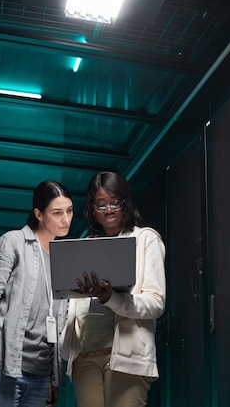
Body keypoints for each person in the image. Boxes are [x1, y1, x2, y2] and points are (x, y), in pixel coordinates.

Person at [59, 171, 166, 407]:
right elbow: (72, 306)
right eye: (101, 204)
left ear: (125, 204)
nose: (108, 209)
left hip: (128, 358)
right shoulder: (85, 246)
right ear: (92, 210)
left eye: (115, 202)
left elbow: (156, 303)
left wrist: (111, 298)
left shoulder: (146, 239)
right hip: (85, 355)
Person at [0, 180, 74, 407]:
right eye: (57, 213)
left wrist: (53, 379)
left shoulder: (63, 259)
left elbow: (59, 321)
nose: (66, 219)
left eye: (69, 210)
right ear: (39, 214)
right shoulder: (13, 242)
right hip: (2, 366)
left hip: (40, 376)